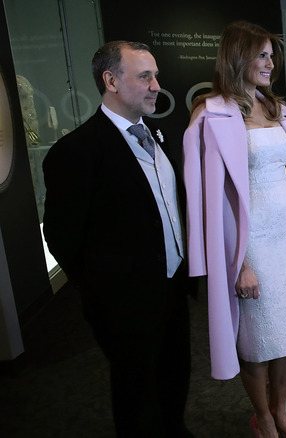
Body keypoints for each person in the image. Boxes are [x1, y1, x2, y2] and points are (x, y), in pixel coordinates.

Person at [182, 21, 286, 438]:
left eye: (270, 55)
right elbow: (211, 195)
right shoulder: (211, 114)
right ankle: (262, 416)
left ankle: (281, 411)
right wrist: (238, 262)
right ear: (237, 58)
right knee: (258, 338)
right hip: (249, 243)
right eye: (261, 55)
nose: (269, 63)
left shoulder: (275, 108)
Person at [42, 41, 194, 436]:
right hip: (123, 301)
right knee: (136, 390)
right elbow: (62, 235)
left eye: (155, 75)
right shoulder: (75, 151)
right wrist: (103, 291)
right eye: (145, 76)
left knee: (175, 373)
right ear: (110, 80)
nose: (156, 85)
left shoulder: (160, 135)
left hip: (173, 287)